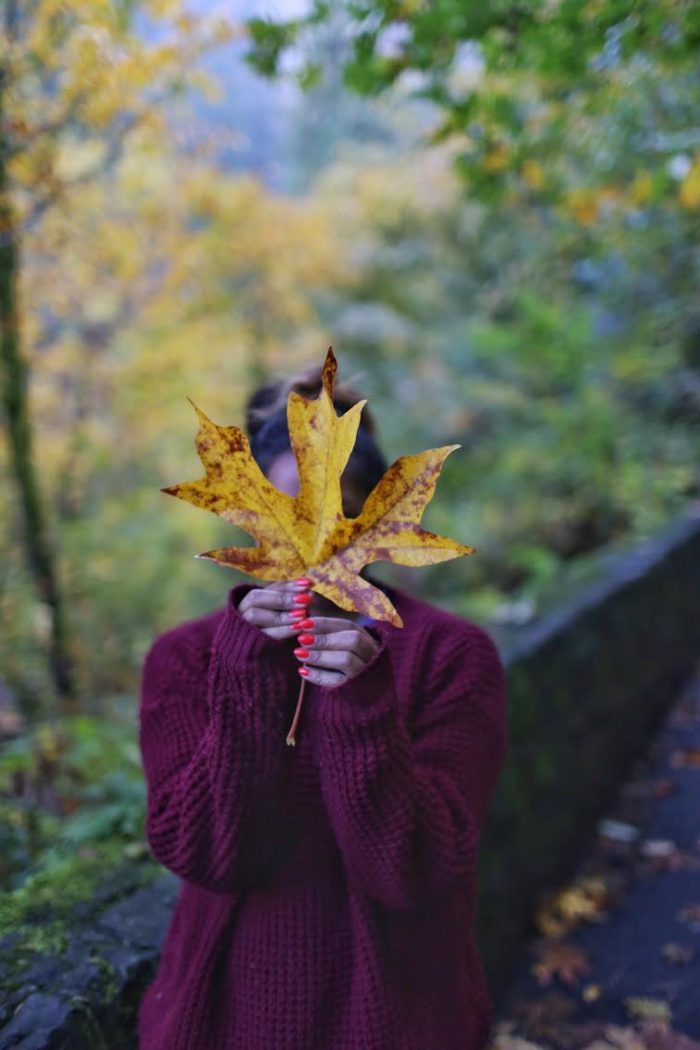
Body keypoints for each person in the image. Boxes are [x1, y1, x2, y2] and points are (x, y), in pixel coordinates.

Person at [137, 360, 509, 1050]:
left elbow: (416, 871)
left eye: (335, 511)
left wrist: (363, 707)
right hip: (221, 1024)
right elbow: (206, 854)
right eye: (287, 512)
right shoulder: (185, 661)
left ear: (376, 514)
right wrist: (246, 679)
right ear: (247, 518)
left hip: (401, 1022)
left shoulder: (453, 657)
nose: (311, 541)